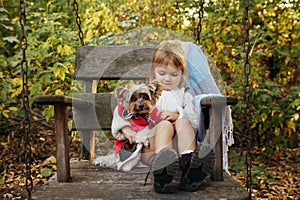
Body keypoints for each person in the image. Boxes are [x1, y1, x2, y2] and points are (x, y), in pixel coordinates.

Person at [111, 40, 214, 193]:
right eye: (162, 73)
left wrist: (178, 113)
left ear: (182, 74)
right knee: (165, 126)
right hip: (150, 150)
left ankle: (190, 168)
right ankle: (163, 168)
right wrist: (126, 129)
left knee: (183, 122)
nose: (167, 79)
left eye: (174, 74)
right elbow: (121, 111)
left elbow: (195, 122)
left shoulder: (185, 96)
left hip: (178, 150)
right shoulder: (147, 94)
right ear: (153, 72)